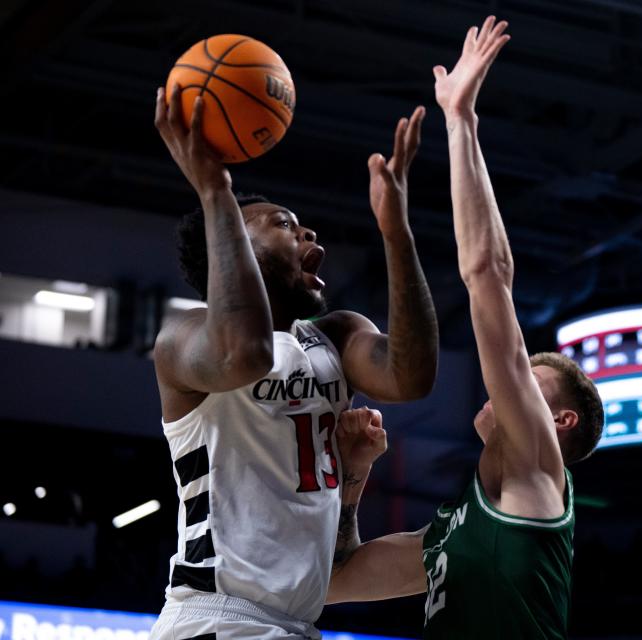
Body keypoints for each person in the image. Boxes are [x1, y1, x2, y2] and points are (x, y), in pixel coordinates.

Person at [325, 17, 604, 639]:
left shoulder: (538, 472)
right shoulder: (452, 528)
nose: (504, 383)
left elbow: (487, 275)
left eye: (529, 380)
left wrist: (462, 120)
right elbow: (333, 582)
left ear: (557, 423)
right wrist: (353, 477)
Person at [147, 83, 439, 639]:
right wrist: (216, 196)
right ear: (234, 244)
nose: (305, 230)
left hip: (296, 625)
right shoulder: (183, 336)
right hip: (216, 619)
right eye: (282, 223)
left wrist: (396, 232)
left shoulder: (337, 335)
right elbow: (245, 353)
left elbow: (411, 375)